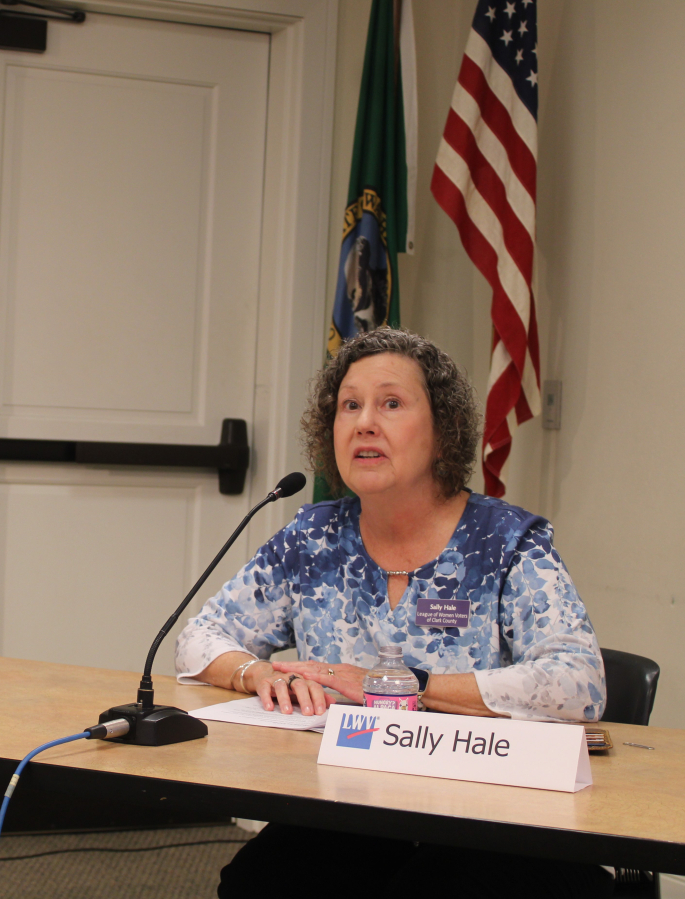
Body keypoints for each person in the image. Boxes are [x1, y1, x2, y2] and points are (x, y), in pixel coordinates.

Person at [175, 328, 610, 898]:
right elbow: (199, 636)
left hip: (489, 813)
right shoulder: (312, 539)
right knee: (257, 882)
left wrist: (400, 687)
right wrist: (257, 672)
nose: (364, 423)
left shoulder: (505, 543)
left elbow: (579, 683)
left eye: (392, 404)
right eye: (349, 405)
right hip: (351, 807)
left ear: (442, 431)